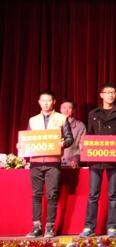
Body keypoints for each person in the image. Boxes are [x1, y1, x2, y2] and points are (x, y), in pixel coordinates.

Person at [80, 83, 116, 238]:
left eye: (113, 92)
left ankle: (112, 227)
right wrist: (84, 144)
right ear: (101, 95)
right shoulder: (93, 113)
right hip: (95, 158)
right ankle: (89, 227)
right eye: (107, 92)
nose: (110, 95)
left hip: (113, 158)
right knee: (93, 194)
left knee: (113, 194)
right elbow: (90, 134)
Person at [24, 90, 74, 238]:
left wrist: (64, 143)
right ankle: (36, 227)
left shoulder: (61, 118)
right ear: (39, 102)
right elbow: (27, 138)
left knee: (52, 195)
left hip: (53, 162)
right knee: (36, 195)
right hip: (35, 162)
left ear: (54, 102)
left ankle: (50, 227)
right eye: (43, 100)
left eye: (49, 100)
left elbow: (69, 138)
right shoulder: (33, 120)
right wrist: (22, 145)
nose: (46, 103)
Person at [60, 99, 87, 169]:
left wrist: (75, 160)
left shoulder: (80, 126)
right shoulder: (54, 124)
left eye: (69, 108)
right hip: (55, 162)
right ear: (60, 109)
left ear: (73, 110)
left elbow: (83, 146)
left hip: (71, 163)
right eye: (64, 108)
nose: (66, 110)